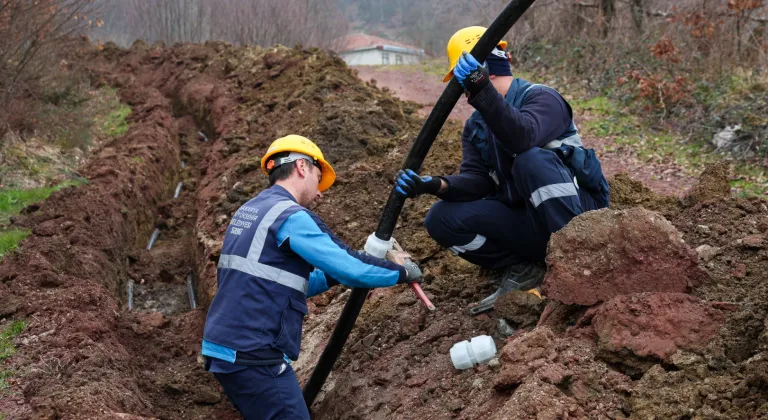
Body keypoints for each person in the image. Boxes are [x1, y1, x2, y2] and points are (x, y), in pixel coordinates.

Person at [202, 134, 422, 419]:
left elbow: (275, 281)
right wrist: (402, 272)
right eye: (319, 179)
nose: (320, 193)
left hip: (226, 347)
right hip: (253, 354)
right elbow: (351, 268)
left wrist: (331, 275)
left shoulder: (251, 210)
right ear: (302, 168)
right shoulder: (289, 216)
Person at [395, 26, 610, 315]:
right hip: (531, 221)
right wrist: (435, 185)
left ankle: (578, 263)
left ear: (484, 68)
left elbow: (522, 136)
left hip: (581, 217)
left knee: (530, 160)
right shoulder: (476, 125)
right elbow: (478, 182)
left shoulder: (543, 98)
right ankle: (524, 268)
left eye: (461, 82)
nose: (461, 92)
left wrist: (480, 88)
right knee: (441, 218)